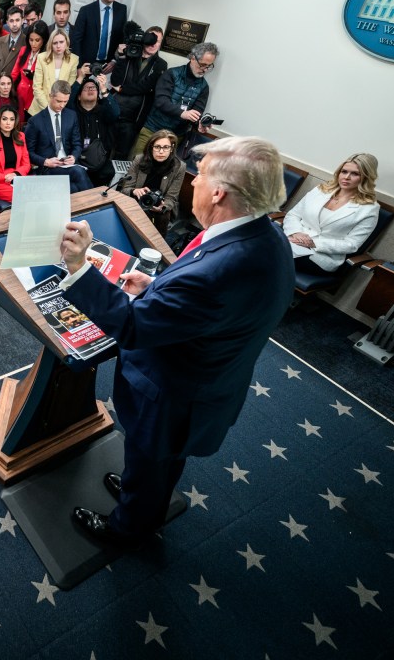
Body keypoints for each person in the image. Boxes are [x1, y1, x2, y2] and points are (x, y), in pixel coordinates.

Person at [59, 136, 294, 546]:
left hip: (173, 396)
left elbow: (133, 326)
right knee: (155, 462)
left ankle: (128, 529)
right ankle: (142, 495)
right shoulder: (264, 235)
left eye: (199, 176)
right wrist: (156, 286)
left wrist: (80, 268)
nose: (194, 183)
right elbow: (211, 306)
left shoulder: (221, 267)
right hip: (206, 381)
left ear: (219, 192)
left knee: (154, 459)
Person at [282, 152, 380, 276]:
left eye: (355, 174)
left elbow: (352, 244)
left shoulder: (369, 209)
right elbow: (293, 215)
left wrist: (313, 243)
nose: (347, 177)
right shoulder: (320, 190)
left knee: (272, 255)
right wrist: (296, 232)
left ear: (366, 177)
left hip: (319, 256)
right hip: (292, 240)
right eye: (344, 171)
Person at [139, 41, 218, 155]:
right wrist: (183, 113)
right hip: (152, 130)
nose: (205, 69)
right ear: (192, 58)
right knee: (137, 163)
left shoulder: (204, 87)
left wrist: (199, 125)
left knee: (161, 171)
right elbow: (161, 101)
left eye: (209, 66)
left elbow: (196, 113)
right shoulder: (171, 74)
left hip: (175, 137)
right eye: (202, 64)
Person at [25, 80, 92, 193]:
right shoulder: (35, 121)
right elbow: (28, 152)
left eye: (65, 101)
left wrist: (74, 157)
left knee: (74, 187)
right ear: (50, 96)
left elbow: (77, 144)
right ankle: (95, 204)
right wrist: (46, 161)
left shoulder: (71, 116)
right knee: (78, 172)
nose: (62, 105)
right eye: (59, 101)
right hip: (48, 167)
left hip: (68, 164)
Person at [110, 25, 167, 157]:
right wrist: (122, 56)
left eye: (157, 41)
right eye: (151, 39)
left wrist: (123, 89)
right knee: (103, 148)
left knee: (122, 154)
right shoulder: (130, 55)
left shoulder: (160, 64)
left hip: (134, 117)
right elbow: (115, 80)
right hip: (114, 110)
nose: (153, 44)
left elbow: (147, 86)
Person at [118, 129, 185, 236]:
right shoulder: (139, 160)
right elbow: (124, 189)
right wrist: (134, 191)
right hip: (136, 202)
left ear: (172, 149)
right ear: (151, 147)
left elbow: (172, 198)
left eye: (166, 147)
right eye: (157, 147)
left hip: (158, 209)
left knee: (163, 217)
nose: (161, 151)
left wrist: (162, 207)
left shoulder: (179, 167)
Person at [70, 0, 128, 66]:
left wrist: (114, 60)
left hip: (109, 64)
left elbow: (122, 39)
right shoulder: (86, 11)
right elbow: (76, 40)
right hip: (87, 64)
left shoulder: (122, 10)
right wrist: (79, 66)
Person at [71, 76, 119, 186]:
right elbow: (68, 100)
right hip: (75, 158)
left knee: (108, 172)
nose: (90, 89)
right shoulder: (72, 112)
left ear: (98, 96)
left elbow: (115, 113)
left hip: (98, 158)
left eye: (93, 88)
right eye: (86, 88)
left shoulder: (103, 111)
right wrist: (81, 77)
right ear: (78, 96)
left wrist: (103, 89)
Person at [0, 105, 30, 204]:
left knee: (40, 192)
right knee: (23, 198)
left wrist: (15, 175)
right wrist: (8, 177)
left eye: (12, 119)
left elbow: (26, 164)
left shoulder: (21, 136)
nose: (8, 123)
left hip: (18, 176)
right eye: (4, 119)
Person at [29, 30, 79, 116]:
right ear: (51, 45)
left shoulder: (74, 59)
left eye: (61, 42)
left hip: (61, 109)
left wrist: (59, 106)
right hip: (40, 109)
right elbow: (37, 87)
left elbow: (69, 88)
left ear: (67, 43)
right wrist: (48, 108)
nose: (58, 46)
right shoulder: (41, 58)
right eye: (55, 43)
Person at [12, 22, 48, 117]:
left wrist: (35, 76)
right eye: (31, 40)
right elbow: (14, 74)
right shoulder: (24, 50)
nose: (33, 44)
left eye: (37, 40)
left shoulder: (46, 56)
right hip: (20, 96)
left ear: (44, 40)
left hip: (34, 99)